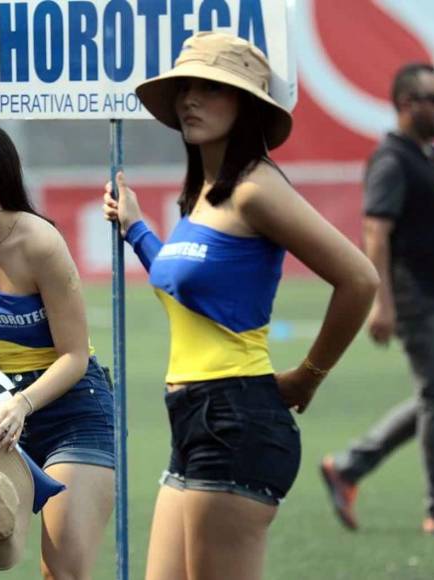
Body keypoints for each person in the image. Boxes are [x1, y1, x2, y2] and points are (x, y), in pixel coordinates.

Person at [102, 32, 378, 580]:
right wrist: (136, 229)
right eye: (185, 89)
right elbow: (179, 278)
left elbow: (360, 279)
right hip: (194, 423)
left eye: (211, 88)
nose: (190, 100)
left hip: (237, 420)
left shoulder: (256, 188)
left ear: (247, 104)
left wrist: (308, 376)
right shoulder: (203, 193)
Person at [0, 120, 115, 579]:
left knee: (62, 572)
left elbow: (74, 356)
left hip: (72, 408)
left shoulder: (40, 242)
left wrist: (24, 404)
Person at [320, 63, 434, 534]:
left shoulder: (431, 157)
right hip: (416, 296)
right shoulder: (392, 160)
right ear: (405, 104)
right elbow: (376, 234)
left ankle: (349, 468)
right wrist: (381, 303)